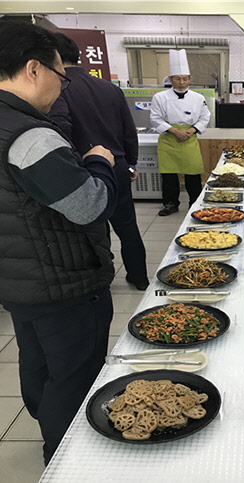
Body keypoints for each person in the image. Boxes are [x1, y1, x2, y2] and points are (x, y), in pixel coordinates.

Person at [0, 22, 117, 465]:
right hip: (62, 281)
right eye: (60, 77)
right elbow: (89, 206)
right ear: (34, 69)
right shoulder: (30, 134)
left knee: (37, 363)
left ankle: (48, 425)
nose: (61, 88)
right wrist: (98, 163)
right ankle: (67, 459)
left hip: (18, 277)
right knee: (74, 376)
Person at [48, 33, 149, 291]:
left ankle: (103, 278)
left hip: (84, 170)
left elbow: (61, 133)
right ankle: (139, 277)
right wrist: (130, 163)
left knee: (93, 229)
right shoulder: (110, 88)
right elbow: (129, 131)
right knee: (127, 225)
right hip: (117, 167)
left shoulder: (58, 90)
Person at [150, 49, 211, 216]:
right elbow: (155, 119)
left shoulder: (198, 98)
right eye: (177, 78)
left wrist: (191, 130)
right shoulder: (160, 97)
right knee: (169, 175)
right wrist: (175, 131)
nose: (182, 82)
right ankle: (170, 204)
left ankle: (195, 203)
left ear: (190, 79)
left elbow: (205, 117)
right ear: (171, 79)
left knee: (193, 174)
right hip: (168, 138)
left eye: (185, 78)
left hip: (189, 138)